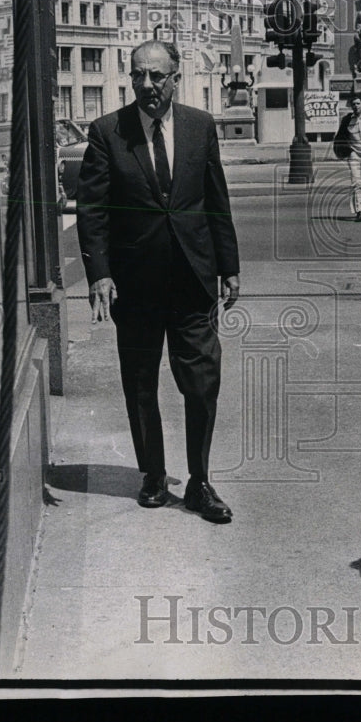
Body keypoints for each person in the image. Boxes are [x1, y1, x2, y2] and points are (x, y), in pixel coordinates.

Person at [76, 39, 240, 521]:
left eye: (157, 76)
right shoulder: (109, 132)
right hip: (136, 284)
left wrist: (229, 266)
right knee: (141, 382)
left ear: (175, 78)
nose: (147, 85)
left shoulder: (200, 126)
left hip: (193, 278)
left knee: (202, 382)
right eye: (138, 76)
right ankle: (152, 474)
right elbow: (93, 212)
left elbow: (215, 200)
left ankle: (200, 481)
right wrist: (99, 273)